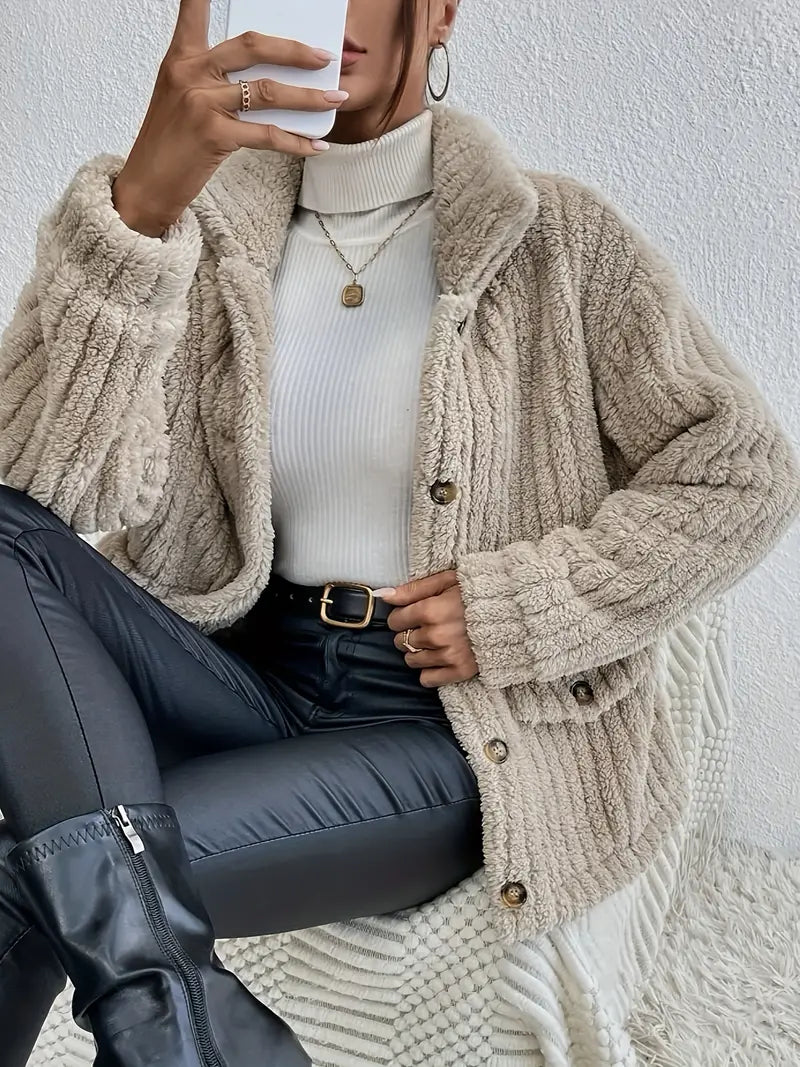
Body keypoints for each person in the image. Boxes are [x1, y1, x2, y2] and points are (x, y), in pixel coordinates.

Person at [1, 0, 798, 1063]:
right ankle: (190, 1038)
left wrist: (523, 605)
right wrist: (142, 208)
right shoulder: (205, 242)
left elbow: (740, 469)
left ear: (439, 11)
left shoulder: (561, 242)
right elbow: (44, 488)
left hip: (442, 724)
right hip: (239, 677)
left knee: (38, 879)